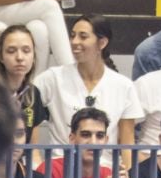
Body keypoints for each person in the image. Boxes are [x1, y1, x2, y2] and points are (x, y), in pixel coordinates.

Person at [34, 15, 140, 146]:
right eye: (73, 36)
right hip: (61, 162)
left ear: (102, 43)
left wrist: (128, 166)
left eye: (83, 36)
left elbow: (127, 142)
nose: (74, 42)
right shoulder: (51, 78)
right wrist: (35, 157)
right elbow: (28, 114)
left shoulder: (124, 86)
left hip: (105, 164)